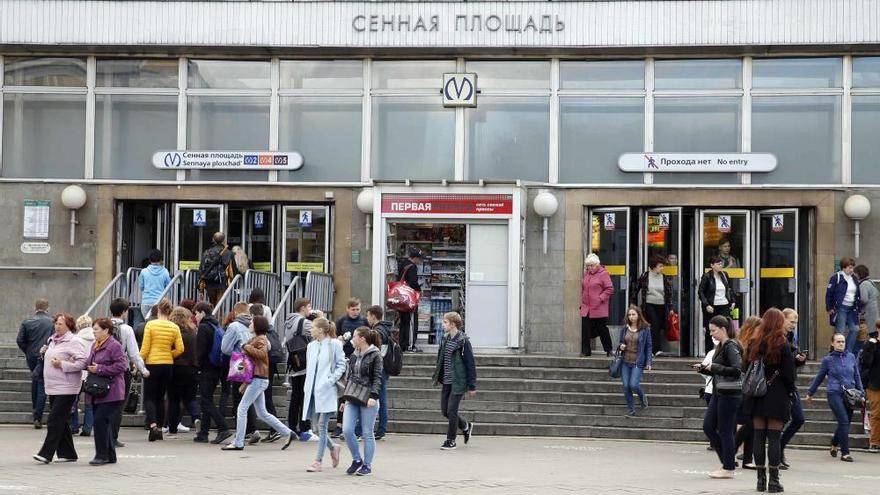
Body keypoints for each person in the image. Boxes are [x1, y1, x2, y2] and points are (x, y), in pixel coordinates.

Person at [743, 308, 797, 493]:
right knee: (774, 437)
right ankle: (774, 482)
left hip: (756, 395)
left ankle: (760, 481)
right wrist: (791, 393)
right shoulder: (782, 343)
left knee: (759, 436)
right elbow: (789, 374)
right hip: (777, 394)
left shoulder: (754, 342)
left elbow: (745, 367)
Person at [221, 316, 294, 451]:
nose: (250, 324)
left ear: (257, 325)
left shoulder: (261, 339)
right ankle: (287, 432)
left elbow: (261, 353)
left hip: (258, 379)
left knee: (242, 409)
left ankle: (238, 442)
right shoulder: (257, 338)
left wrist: (246, 346)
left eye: (252, 322)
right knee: (262, 413)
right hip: (258, 379)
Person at [33, 313, 87, 464]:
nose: (57, 326)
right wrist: (45, 353)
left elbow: (82, 363)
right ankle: (68, 453)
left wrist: (62, 364)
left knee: (54, 420)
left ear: (69, 326)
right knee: (61, 421)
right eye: (56, 323)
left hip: (67, 387)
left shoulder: (74, 341)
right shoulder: (52, 340)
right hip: (53, 386)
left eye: (60, 324)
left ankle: (46, 453)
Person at [806, 333, 864, 463]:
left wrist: (862, 393)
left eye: (843, 341)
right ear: (832, 343)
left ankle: (834, 442)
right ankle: (845, 453)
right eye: (838, 341)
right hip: (834, 393)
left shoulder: (851, 357)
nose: (841, 344)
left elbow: (857, 376)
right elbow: (819, 377)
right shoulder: (828, 360)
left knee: (846, 423)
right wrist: (810, 392)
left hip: (850, 395)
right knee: (843, 420)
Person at [697, 315, 742, 479]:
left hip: (729, 393)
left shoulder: (731, 346)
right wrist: (704, 369)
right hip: (719, 391)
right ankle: (727, 462)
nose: (711, 334)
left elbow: (737, 369)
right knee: (708, 426)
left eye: (713, 330)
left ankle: (728, 467)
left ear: (723, 329)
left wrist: (714, 366)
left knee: (725, 429)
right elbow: (721, 368)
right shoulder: (721, 346)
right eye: (710, 331)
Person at [302, 318, 346, 472]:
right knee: (316, 428)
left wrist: (330, 380)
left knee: (322, 425)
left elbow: (341, 365)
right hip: (313, 391)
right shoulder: (311, 346)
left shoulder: (335, 344)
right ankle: (333, 447)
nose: (310, 330)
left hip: (327, 390)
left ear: (320, 330)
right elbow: (309, 368)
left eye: (313, 327)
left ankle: (318, 461)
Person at [84, 318, 128, 466]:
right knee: (104, 421)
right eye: (93, 329)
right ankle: (110, 455)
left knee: (100, 421)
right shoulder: (94, 345)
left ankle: (101, 455)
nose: (94, 332)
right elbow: (88, 362)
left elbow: (122, 366)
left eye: (96, 329)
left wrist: (100, 369)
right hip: (98, 390)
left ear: (106, 330)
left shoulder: (114, 346)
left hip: (112, 390)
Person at [139, 298, 184, 442]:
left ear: (158, 310)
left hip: (153, 363)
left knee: (149, 397)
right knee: (161, 397)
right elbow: (180, 349)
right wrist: (168, 354)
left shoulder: (151, 325)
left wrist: (138, 363)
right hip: (168, 365)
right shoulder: (174, 327)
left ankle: (152, 426)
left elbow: (145, 348)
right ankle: (159, 428)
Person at [431, 312, 477, 450]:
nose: (442, 324)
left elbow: (470, 364)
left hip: (458, 381)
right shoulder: (445, 339)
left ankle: (451, 440)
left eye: (445, 322)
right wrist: (438, 376)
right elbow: (441, 359)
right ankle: (465, 425)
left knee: (452, 411)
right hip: (446, 381)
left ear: (453, 324)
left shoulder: (463, 341)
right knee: (445, 411)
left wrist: (472, 384)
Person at [342, 327, 383, 476]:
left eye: (354, 336)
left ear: (362, 339)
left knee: (367, 432)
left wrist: (374, 396)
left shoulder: (375, 354)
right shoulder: (354, 354)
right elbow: (350, 377)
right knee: (347, 430)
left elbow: (378, 377)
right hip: (352, 396)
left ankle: (367, 465)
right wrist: (344, 398)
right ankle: (356, 459)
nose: (352, 338)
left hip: (368, 398)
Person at [109, 297, 148, 448]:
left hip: (104, 371)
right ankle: (113, 436)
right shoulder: (127, 329)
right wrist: (143, 369)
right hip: (121, 371)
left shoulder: (103, 326)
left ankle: (103, 433)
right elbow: (133, 353)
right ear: (124, 312)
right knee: (118, 405)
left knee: (105, 404)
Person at [192, 301, 232, 444]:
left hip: (206, 369)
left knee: (205, 401)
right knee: (206, 400)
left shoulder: (203, 327)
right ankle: (203, 433)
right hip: (217, 368)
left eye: (196, 313)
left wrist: (197, 368)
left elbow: (201, 351)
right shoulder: (216, 326)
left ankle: (223, 428)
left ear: (202, 312)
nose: (195, 317)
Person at [285, 297, 324, 439]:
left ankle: (291, 427)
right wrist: (320, 317)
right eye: (308, 307)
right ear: (302, 308)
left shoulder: (289, 322)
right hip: (306, 364)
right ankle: (305, 429)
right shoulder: (304, 322)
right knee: (305, 398)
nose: (310, 309)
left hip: (295, 364)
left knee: (296, 397)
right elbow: (323, 331)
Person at [222, 302, 260, 444]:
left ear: (236, 312)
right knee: (248, 398)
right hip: (254, 362)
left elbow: (225, 348)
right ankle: (253, 429)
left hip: (239, 362)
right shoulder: (253, 324)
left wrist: (236, 353)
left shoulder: (234, 326)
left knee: (239, 398)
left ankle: (243, 432)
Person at [16, 298, 54, 429]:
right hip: (45, 355)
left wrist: (28, 351)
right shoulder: (52, 322)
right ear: (47, 308)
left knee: (35, 379)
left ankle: (35, 411)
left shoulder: (27, 322)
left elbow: (20, 340)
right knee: (42, 384)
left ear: (35, 307)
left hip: (31, 356)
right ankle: (37, 416)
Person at [778, 308, 807, 470]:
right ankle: (775, 454)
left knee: (799, 418)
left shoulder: (791, 336)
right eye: (792, 321)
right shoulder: (776, 336)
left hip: (790, 382)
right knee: (779, 421)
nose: (794, 325)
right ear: (783, 319)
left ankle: (780, 447)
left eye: (796, 322)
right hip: (779, 384)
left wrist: (799, 359)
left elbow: (791, 358)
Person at [733, 315, 762, 468]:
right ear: (752, 328)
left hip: (751, 388)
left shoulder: (757, 344)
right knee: (743, 421)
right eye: (759, 327)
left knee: (750, 422)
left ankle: (747, 457)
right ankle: (737, 453)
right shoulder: (740, 344)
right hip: (741, 387)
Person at [167, 307, 200, 438]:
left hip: (175, 368)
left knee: (174, 400)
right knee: (190, 398)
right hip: (192, 368)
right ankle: (196, 417)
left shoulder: (173, 331)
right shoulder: (193, 331)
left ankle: (172, 431)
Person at [631, 256, 672, 357]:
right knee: (654, 325)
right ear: (654, 267)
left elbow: (669, 294)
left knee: (658, 327)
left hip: (662, 306)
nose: (662, 268)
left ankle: (649, 348)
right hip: (649, 305)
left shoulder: (664, 277)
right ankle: (655, 349)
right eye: (660, 266)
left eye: (662, 266)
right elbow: (636, 289)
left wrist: (670, 308)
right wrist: (633, 302)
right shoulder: (645, 276)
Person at [617, 306, 652, 417]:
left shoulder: (645, 329)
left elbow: (648, 346)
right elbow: (619, 343)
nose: (631, 317)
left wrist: (649, 362)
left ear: (638, 315)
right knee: (626, 386)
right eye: (629, 315)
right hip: (625, 362)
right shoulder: (624, 328)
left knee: (633, 385)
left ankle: (642, 397)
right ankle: (631, 410)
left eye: (633, 314)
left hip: (638, 362)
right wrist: (620, 346)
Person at [366, 305, 393, 440]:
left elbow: (375, 349)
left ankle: (381, 429)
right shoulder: (384, 328)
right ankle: (381, 428)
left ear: (373, 316)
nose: (367, 318)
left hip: (379, 369)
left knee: (379, 398)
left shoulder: (378, 331)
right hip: (383, 368)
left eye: (368, 315)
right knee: (381, 398)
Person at [580, 253, 614, 357]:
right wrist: (582, 301)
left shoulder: (603, 274)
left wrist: (600, 298)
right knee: (585, 329)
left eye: (591, 265)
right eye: (588, 266)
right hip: (586, 307)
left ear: (597, 264)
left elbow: (610, 289)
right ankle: (586, 351)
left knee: (602, 329)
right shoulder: (586, 274)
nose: (589, 268)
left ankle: (608, 349)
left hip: (599, 307)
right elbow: (584, 288)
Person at [825, 257, 862, 353]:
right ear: (844, 267)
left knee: (855, 329)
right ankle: (837, 352)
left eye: (852, 267)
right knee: (840, 332)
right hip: (840, 308)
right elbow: (829, 293)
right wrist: (829, 307)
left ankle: (847, 352)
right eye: (849, 267)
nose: (852, 269)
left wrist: (859, 309)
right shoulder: (836, 277)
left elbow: (858, 294)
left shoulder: (854, 278)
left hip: (852, 308)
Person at [698, 256, 734, 352]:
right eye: (718, 264)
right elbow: (701, 292)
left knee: (725, 327)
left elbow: (729, 289)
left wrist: (733, 301)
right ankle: (708, 352)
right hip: (712, 307)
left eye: (721, 264)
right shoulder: (707, 276)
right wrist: (706, 305)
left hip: (724, 305)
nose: (720, 266)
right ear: (712, 265)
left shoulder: (724, 275)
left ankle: (725, 350)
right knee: (711, 329)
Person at [70, 315, 95, 437]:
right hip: (92, 372)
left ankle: (74, 425)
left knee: (74, 399)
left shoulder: (75, 339)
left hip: (78, 372)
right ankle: (87, 427)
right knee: (89, 401)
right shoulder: (96, 338)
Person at [397, 248, 423, 353]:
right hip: (409, 299)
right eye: (419, 259)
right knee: (411, 322)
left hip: (402, 298)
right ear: (415, 258)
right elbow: (413, 282)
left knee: (404, 322)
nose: (420, 261)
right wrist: (419, 290)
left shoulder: (403, 264)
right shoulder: (412, 267)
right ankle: (410, 346)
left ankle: (403, 344)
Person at [859, 322, 880, 453]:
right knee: (877, 413)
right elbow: (866, 362)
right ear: (878, 329)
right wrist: (872, 344)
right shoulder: (872, 344)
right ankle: (874, 442)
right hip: (875, 383)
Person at [138, 249, 172, 321]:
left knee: (148, 323)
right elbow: (169, 286)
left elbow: (141, 287)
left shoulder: (144, 271)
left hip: (146, 302)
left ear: (150, 260)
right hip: (159, 302)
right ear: (161, 260)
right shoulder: (165, 271)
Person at [199, 232, 233, 305]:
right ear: (223, 240)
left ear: (213, 240)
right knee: (220, 305)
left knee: (212, 303)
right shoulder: (228, 253)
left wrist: (201, 280)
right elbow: (231, 269)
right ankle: (218, 315)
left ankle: (213, 315)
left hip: (209, 281)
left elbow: (202, 267)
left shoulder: (207, 252)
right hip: (222, 282)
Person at [855, 265, 877, 356]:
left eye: (855, 273)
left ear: (859, 274)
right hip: (873, 315)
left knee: (862, 339)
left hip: (866, 316)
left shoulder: (864, 284)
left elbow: (864, 299)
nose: (855, 276)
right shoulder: (871, 282)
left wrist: (856, 305)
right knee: (872, 337)